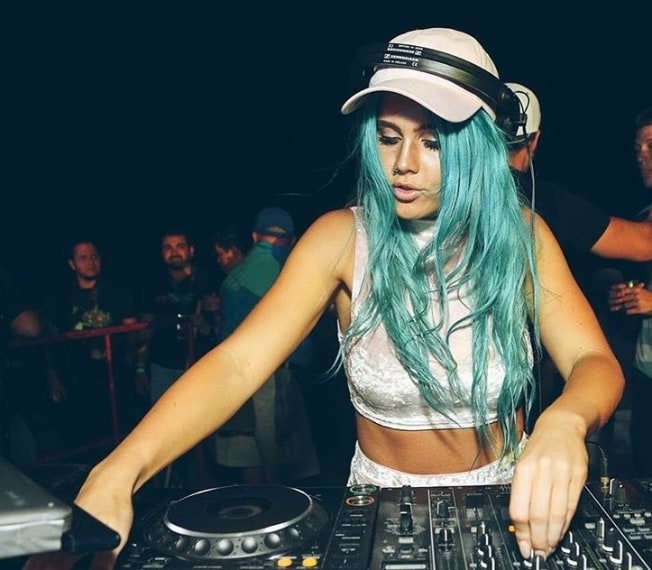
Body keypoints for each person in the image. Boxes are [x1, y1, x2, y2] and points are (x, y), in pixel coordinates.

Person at [27, 28, 624, 569]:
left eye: (432, 142)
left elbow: (594, 362)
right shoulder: (340, 239)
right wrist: (120, 470)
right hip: (378, 510)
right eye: (388, 138)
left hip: (509, 505)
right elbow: (238, 364)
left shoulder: (523, 237)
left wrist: (565, 420)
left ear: (475, 146)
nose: (402, 165)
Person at [212, 207, 320, 484]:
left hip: (237, 375)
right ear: (292, 239)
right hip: (275, 375)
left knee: (249, 455)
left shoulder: (234, 278)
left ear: (254, 236)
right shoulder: (293, 270)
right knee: (280, 459)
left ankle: (256, 508)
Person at [40, 238, 139, 450]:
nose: (90, 262)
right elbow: (49, 338)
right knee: (81, 440)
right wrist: (52, 375)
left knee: (118, 438)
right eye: (83, 257)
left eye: (94, 256)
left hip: (114, 377)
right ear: (72, 264)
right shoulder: (60, 298)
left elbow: (133, 331)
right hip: (76, 380)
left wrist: (131, 361)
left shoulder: (117, 293)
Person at [607, 106, 652, 476]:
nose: (641, 156)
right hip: (645, 368)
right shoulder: (645, 216)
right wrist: (627, 294)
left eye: (651, 146)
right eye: (638, 148)